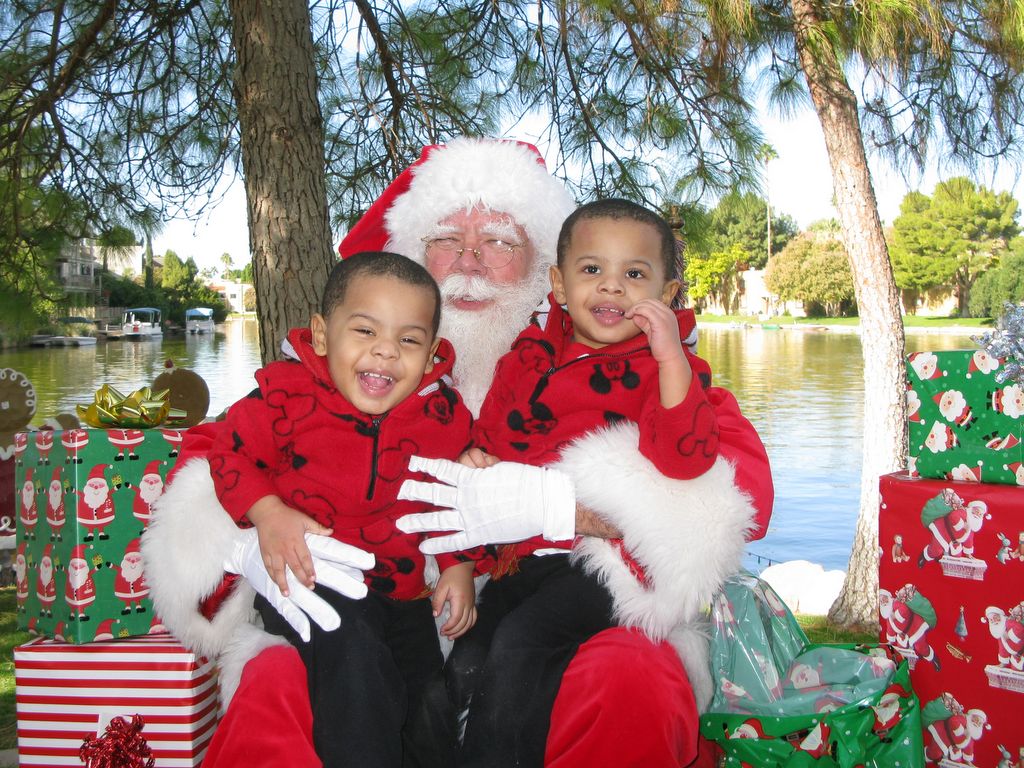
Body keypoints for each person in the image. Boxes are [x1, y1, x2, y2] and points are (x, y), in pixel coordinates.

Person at [143, 137, 774, 767]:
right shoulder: (329, 374)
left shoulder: (633, 366)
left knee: (630, 676)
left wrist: (559, 503)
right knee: (280, 686)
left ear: (543, 270)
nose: (469, 260)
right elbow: (211, 458)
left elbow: (738, 492)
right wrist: (250, 539)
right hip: (369, 620)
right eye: (446, 239)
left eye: (500, 241)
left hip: (559, 613)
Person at [417, 197, 740, 766]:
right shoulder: (525, 360)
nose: (611, 288)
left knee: (522, 646)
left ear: (666, 294)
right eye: (592, 270)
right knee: (467, 659)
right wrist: (463, 553)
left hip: (604, 564)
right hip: (523, 559)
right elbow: (487, 452)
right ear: (559, 284)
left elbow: (688, 461)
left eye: (634, 275)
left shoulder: (665, 372)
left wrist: (671, 364)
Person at [206, 252, 478, 766]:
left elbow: (455, 496)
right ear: (323, 333)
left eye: (409, 340)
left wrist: (460, 564)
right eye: (365, 330)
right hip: (312, 580)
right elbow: (228, 453)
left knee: (427, 702)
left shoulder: (442, 416)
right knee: (356, 675)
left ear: (432, 352)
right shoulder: (285, 396)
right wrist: (268, 512)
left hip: (402, 591)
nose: (385, 352)